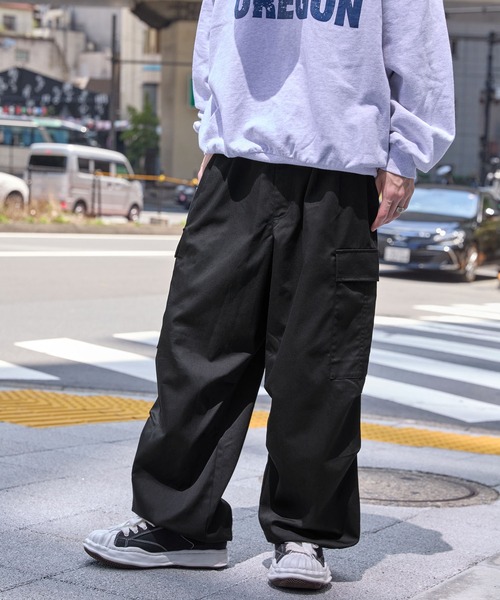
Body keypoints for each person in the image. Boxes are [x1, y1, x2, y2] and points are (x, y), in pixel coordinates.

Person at [84, 0, 455, 590]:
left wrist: (405, 154)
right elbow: (215, 27)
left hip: (339, 167)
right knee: (196, 349)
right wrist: (212, 125)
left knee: (318, 363)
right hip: (237, 161)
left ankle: (303, 532)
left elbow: (420, 45)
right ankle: (180, 526)